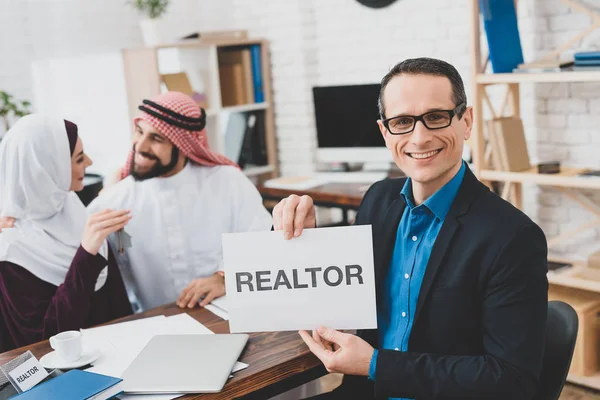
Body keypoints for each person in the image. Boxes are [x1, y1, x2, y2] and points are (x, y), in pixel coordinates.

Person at [272, 58, 548, 399]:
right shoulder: (377, 200)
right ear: (385, 133)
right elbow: (341, 307)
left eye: (435, 117)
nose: (419, 138)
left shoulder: (513, 238)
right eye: (402, 122)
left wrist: (375, 364)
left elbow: (512, 381)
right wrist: (310, 244)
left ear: (467, 121)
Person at [84, 91, 273, 311]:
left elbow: (262, 243)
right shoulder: (115, 202)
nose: (141, 146)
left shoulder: (227, 182)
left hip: (229, 313)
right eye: (139, 132)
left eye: (156, 138)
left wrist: (225, 278)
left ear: (183, 145)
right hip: (156, 323)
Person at [0, 115, 133, 352]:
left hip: (122, 353)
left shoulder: (73, 209)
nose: (90, 162)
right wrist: (86, 256)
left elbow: (117, 305)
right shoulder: (12, 249)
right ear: (47, 169)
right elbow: (44, 341)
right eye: (79, 158)